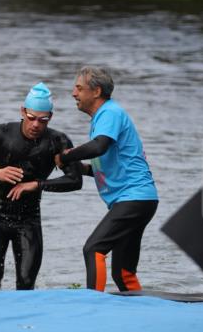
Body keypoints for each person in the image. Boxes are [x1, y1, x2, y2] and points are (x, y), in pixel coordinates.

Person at [0, 83, 82, 290]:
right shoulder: (0, 133)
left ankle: (23, 323)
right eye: (32, 117)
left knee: (26, 282)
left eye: (43, 120)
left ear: (50, 117)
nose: (36, 124)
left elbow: (75, 180)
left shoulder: (58, 141)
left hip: (28, 219)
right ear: (23, 111)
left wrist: (37, 185)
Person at [61, 66, 158, 293]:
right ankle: (139, 309)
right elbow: (104, 167)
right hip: (140, 200)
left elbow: (98, 146)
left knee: (93, 248)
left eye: (79, 88)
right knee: (123, 272)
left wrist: (67, 155)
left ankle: (93, 306)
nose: (74, 93)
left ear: (96, 92)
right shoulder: (104, 117)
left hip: (133, 198)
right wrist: (78, 167)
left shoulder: (109, 113)